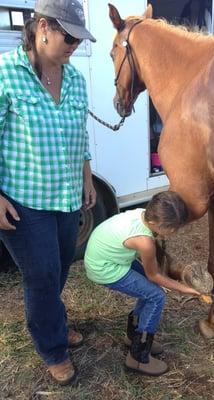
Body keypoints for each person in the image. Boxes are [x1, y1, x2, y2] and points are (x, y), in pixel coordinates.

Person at [0, 0, 96, 385]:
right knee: (40, 275)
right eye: (68, 36)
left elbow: (81, 136)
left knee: (57, 271)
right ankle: (53, 348)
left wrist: (87, 179)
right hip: (25, 199)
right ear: (43, 27)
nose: (73, 45)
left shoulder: (75, 80)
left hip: (67, 196)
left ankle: (51, 320)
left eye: (78, 38)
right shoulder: (7, 72)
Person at [84, 191, 202, 376]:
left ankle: (134, 337)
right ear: (155, 223)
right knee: (157, 297)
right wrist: (185, 289)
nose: (174, 233)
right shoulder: (144, 242)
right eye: (172, 229)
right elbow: (154, 275)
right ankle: (138, 357)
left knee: (150, 291)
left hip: (108, 257)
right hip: (104, 268)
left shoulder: (142, 213)